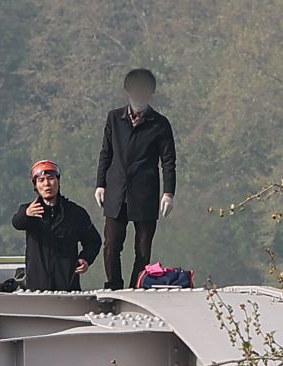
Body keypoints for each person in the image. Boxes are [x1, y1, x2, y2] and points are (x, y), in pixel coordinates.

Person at [95, 68, 177, 290]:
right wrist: (100, 184)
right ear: (128, 93)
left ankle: (136, 288)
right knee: (111, 245)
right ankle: (113, 285)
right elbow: (106, 152)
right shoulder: (114, 118)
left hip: (145, 191)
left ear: (150, 95)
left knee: (142, 249)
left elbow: (168, 160)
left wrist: (168, 193)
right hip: (116, 189)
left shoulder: (160, 124)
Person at [12, 160, 102, 291]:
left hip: (68, 287)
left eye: (50, 179)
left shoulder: (75, 212)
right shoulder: (29, 210)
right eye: (41, 180)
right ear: (35, 186)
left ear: (58, 181)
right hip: (37, 290)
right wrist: (26, 214)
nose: (47, 184)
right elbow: (17, 223)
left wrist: (86, 259)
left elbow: (94, 241)